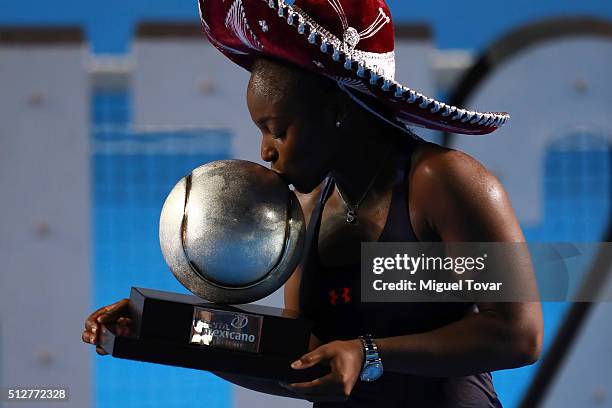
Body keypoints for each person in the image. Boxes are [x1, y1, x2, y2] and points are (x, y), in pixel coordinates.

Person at [82, 0, 543, 406]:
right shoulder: (308, 206)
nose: (265, 150)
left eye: (277, 129)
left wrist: (368, 353)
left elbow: (517, 333)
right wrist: (159, 330)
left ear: (337, 110)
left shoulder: (443, 182)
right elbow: (301, 358)